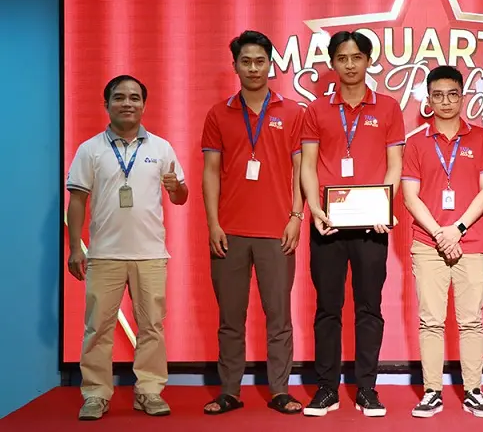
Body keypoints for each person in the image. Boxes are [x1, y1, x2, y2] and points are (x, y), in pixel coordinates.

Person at [66, 75, 188, 421]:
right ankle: (95, 394)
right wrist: (75, 248)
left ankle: (149, 391)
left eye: (135, 97)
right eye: (119, 97)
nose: (127, 103)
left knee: (152, 327)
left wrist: (176, 187)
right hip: (104, 254)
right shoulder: (90, 149)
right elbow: (77, 201)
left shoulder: (161, 148)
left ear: (144, 105)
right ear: (106, 104)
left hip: (151, 254)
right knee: (97, 329)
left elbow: (180, 198)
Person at [300, 30, 404, 417]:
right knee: (327, 308)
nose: (349, 65)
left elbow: (395, 165)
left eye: (357, 57)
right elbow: (308, 166)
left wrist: (385, 207)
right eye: (342, 58)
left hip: (372, 226)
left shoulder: (388, 108)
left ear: (368, 61)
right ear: (332, 63)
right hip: (327, 223)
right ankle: (326, 388)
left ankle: (367, 389)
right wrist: (314, 209)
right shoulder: (316, 110)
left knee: (369, 308)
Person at [201, 30, 305, 415]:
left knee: (279, 317)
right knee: (230, 319)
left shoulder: (293, 112)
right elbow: (210, 172)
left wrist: (296, 216)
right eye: (245, 61)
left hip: (277, 231)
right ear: (235, 66)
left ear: (270, 65)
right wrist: (213, 223)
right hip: (229, 231)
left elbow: (301, 169)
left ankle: (280, 390)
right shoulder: (218, 114)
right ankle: (229, 390)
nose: (253, 68)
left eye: (260, 61)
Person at [401, 66, 483, 419]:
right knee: (431, 321)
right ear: (428, 100)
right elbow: (410, 197)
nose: (445, 101)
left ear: (462, 96)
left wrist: (456, 229)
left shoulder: (482, 138)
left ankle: (474, 390)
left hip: (470, 241)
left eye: (452, 94)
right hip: (428, 243)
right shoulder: (416, 142)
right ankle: (432, 391)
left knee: (471, 320)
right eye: (438, 95)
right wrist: (440, 235)